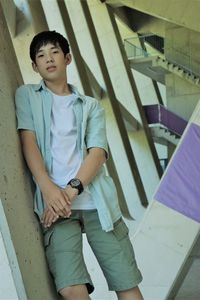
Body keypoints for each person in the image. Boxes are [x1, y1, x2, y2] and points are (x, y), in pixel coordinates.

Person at [15, 30, 143, 300]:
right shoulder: (27, 96)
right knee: (72, 289)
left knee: (127, 285)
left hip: (98, 204)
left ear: (68, 58)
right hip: (55, 210)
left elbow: (97, 153)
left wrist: (69, 192)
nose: (48, 58)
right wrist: (49, 190)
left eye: (55, 52)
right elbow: (29, 142)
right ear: (34, 66)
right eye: (41, 55)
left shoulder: (90, 105)